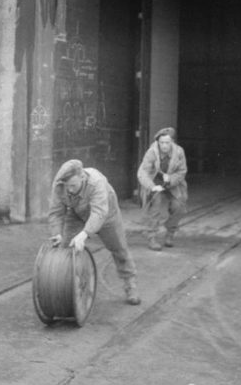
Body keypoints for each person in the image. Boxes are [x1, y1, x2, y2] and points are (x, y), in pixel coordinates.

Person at [48, 159, 141, 305]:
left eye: (73, 185)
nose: (69, 190)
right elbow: (56, 213)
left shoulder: (96, 182)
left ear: (82, 177)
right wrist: (57, 233)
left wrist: (84, 234)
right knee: (66, 249)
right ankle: (69, 287)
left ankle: (130, 283)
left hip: (106, 214)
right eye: (67, 186)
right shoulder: (60, 184)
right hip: (77, 212)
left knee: (119, 249)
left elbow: (99, 213)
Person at [137, 126, 188, 251]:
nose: (164, 145)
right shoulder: (152, 152)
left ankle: (170, 232)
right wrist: (152, 187)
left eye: (167, 142)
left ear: (172, 142)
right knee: (155, 205)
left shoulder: (179, 152)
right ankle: (152, 237)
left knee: (179, 206)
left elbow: (182, 171)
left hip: (173, 182)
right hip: (154, 182)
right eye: (161, 143)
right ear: (157, 142)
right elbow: (143, 172)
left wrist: (170, 179)